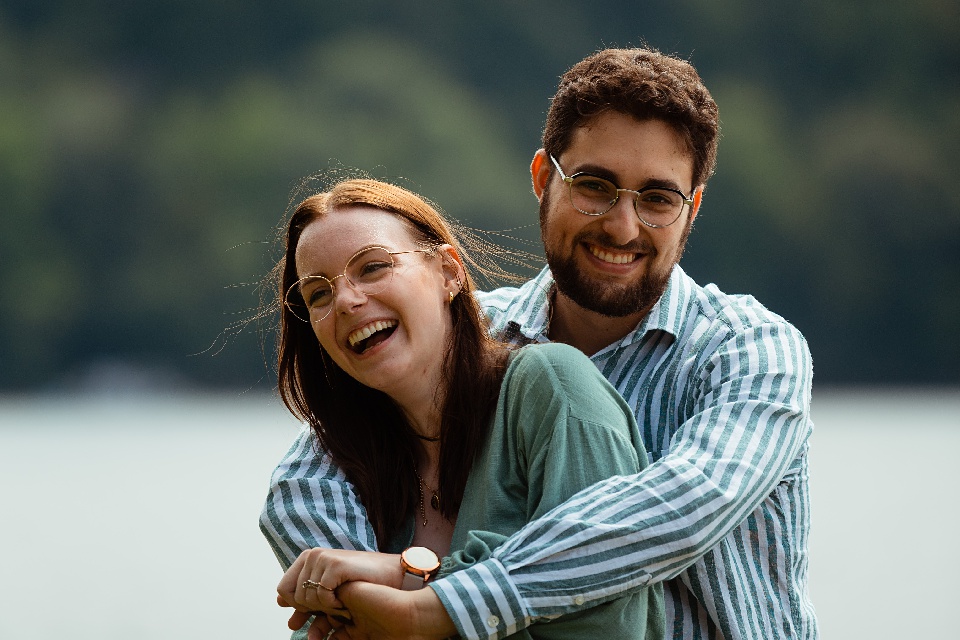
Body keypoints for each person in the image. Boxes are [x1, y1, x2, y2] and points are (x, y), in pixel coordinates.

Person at [261, 47, 818, 640]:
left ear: (692, 209)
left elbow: (677, 510)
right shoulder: (472, 334)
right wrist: (364, 597)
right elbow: (307, 479)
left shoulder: (749, 351)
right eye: (594, 186)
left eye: (657, 199)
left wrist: (427, 597)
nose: (622, 226)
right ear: (542, 179)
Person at [267, 177, 663, 639]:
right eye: (318, 294)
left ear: (449, 273)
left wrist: (407, 580)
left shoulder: (553, 387)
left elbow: (607, 619)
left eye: (372, 268)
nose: (347, 301)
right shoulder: (347, 472)